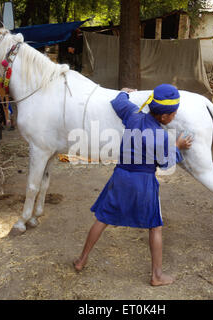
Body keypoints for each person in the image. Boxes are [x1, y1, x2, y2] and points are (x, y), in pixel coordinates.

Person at [73, 84, 193, 286]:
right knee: (155, 226)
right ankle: (156, 275)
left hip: (120, 176)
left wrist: (124, 92)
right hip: (143, 182)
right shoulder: (161, 136)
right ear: (164, 117)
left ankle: (81, 259)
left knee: (102, 218)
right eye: (173, 113)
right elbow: (165, 162)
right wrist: (177, 146)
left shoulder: (133, 115)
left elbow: (118, 103)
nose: (174, 116)